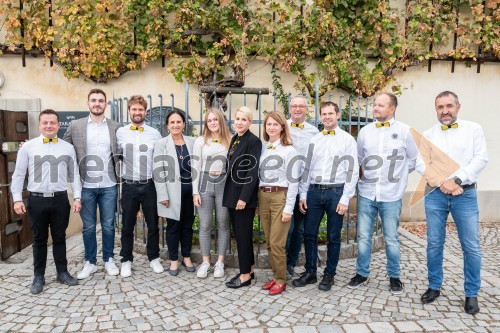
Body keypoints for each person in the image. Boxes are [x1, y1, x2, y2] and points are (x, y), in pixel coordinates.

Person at [417, 91, 488, 314]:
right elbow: (422, 164)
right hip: (435, 195)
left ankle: (471, 293)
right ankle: (434, 286)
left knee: (471, 246)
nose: (445, 111)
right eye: (440, 107)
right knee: (434, 243)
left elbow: (481, 159)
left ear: (458, 106)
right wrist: (442, 182)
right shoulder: (428, 134)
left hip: (465, 195)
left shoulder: (474, 129)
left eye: (449, 106)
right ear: (436, 109)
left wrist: (457, 179)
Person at [348, 92, 418, 294]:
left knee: (391, 238)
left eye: (380, 105)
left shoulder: (405, 131)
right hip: (367, 192)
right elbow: (360, 158)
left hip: (391, 195)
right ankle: (362, 273)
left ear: (392, 109)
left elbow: (413, 160)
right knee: (363, 236)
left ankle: (394, 276)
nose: (375, 108)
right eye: (375, 105)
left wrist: (399, 175)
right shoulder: (365, 132)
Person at [11, 109, 82, 294]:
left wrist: (77, 197)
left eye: (52, 123)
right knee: (39, 240)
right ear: (39, 125)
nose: (49, 126)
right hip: (37, 200)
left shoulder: (67, 147)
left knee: (60, 238)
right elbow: (18, 174)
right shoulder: (28, 147)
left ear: (58, 125)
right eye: (45, 123)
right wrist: (17, 199)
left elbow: (74, 175)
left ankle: (62, 272)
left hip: (59, 199)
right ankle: (38, 276)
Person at [292, 102, 359, 291]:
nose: (327, 117)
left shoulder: (347, 140)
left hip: (336, 192)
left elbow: (352, 171)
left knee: (333, 235)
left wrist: (346, 199)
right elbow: (307, 168)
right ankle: (311, 272)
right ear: (320, 116)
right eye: (324, 114)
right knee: (309, 233)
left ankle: (329, 274)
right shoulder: (315, 140)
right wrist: (303, 194)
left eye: (331, 113)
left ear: (337, 115)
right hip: (313, 191)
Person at [64, 88, 121, 279]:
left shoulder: (115, 126)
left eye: (101, 100)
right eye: (94, 100)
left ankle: (108, 259)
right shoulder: (76, 125)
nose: (97, 103)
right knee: (88, 227)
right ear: (88, 103)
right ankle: (90, 262)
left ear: (106, 104)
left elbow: (122, 152)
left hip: (109, 184)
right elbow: (63, 148)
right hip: (86, 186)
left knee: (108, 225)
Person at [116, 95, 163, 277]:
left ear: (145, 111)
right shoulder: (121, 132)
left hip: (150, 185)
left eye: (140, 109)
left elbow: (159, 160)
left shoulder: (154, 133)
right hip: (129, 185)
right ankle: (126, 260)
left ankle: (153, 258)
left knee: (153, 224)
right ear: (129, 111)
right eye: (134, 109)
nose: (137, 112)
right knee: (127, 226)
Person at [259, 111, 299, 295]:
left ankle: (281, 280)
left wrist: (288, 208)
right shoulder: (264, 147)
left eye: (275, 124)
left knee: (277, 242)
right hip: (264, 196)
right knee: (269, 241)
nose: (272, 127)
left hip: (280, 197)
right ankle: (275, 276)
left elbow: (294, 181)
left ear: (282, 127)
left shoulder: (289, 150)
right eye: (269, 124)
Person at [223, 106, 262, 288]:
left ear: (250, 122)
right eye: (237, 118)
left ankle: (245, 275)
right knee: (239, 235)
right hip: (232, 193)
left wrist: (244, 198)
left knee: (243, 236)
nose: (239, 122)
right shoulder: (235, 138)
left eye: (244, 119)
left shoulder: (253, 141)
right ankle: (249, 269)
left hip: (242, 197)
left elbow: (252, 173)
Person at [153, 110, 195, 276]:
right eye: (172, 122)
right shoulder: (161, 144)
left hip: (190, 192)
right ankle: (174, 260)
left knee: (187, 226)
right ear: (167, 125)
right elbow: (158, 171)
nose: (176, 125)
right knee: (173, 227)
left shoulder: (192, 142)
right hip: (171, 193)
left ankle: (186, 257)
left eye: (179, 122)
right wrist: (162, 195)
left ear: (184, 124)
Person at [192, 108, 232, 279]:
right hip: (205, 182)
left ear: (221, 120)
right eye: (209, 120)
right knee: (205, 224)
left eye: (216, 119)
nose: (213, 122)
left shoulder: (230, 139)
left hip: (224, 182)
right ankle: (206, 261)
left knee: (223, 224)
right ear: (206, 123)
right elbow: (195, 167)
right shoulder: (201, 141)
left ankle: (220, 262)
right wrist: (195, 192)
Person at [285, 96, 319, 279]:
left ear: (306, 110)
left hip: (305, 187)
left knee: (299, 229)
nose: (298, 109)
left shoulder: (314, 132)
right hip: (284, 186)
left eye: (301, 106)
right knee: (286, 228)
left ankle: (291, 263)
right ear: (290, 109)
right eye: (294, 106)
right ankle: (280, 262)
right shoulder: (282, 127)